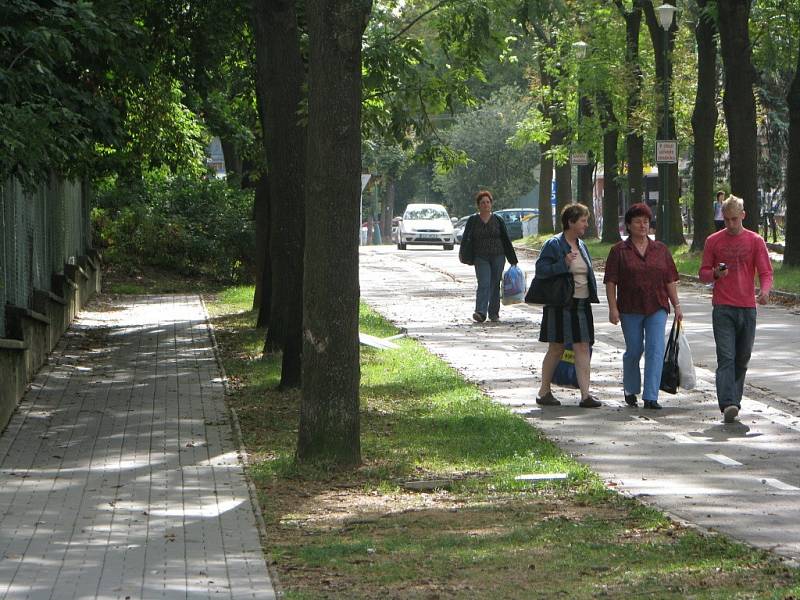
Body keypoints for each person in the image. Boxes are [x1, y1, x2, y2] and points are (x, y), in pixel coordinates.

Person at [699, 195, 773, 423]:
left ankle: (734, 400)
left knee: (742, 358)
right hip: (723, 307)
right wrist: (715, 274)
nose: (730, 224)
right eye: (727, 219)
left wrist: (765, 291)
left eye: (734, 219)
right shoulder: (713, 241)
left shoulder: (755, 241)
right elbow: (703, 273)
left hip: (747, 308)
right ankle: (728, 403)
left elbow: (765, 271)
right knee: (727, 358)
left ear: (743, 216)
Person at [604, 203, 682, 410]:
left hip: (657, 305)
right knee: (635, 349)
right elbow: (611, 281)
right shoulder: (619, 251)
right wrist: (613, 308)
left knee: (655, 349)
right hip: (629, 307)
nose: (643, 225)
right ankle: (630, 388)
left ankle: (651, 396)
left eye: (646, 222)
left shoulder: (661, 250)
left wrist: (677, 305)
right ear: (628, 225)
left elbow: (669, 279)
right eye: (638, 221)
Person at [535, 203, 601, 408]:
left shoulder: (582, 245)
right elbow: (541, 270)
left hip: (581, 304)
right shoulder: (554, 244)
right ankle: (544, 391)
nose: (586, 224)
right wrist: (562, 263)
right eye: (583, 220)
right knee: (557, 347)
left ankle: (585, 395)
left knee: (583, 346)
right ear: (571, 222)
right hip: (560, 303)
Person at [458, 190, 518, 323]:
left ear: (491, 204)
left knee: (495, 284)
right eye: (482, 203)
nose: (485, 205)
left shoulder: (498, 220)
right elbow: (466, 239)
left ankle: (494, 313)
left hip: (498, 256)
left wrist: (512, 259)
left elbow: (506, 239)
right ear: (478, 205)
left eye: (488, 202)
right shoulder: (473, 220)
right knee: (484, 283)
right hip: (481, 257)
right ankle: (480, 312)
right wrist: (463, 254)